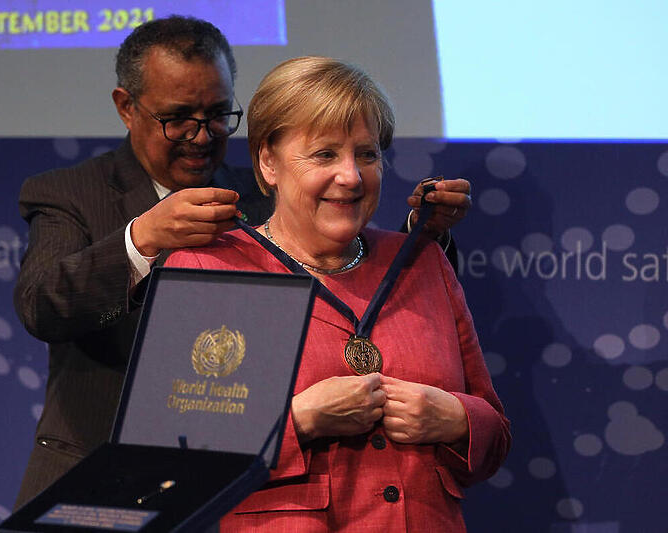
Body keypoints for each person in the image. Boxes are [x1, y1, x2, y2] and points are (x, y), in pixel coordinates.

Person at [12, 16, 471, 509]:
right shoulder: (69, 194)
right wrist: (141, 240)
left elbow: (344, 281)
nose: (202, 134)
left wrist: (420, 239)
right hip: (99, 476)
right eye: (178, 117)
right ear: (127, 107)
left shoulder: (262, 196)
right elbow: (42, 305)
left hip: (240, 489)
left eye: (217, 114)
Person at [164, 56, 510, 532]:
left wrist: (456, 419)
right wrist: (300, 419)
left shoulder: (420, 261)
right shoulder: (213, 268)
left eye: (366, 154)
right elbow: (175, 458)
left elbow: (495, 437)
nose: (351, 176)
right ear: (268, 161)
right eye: (324, 155)